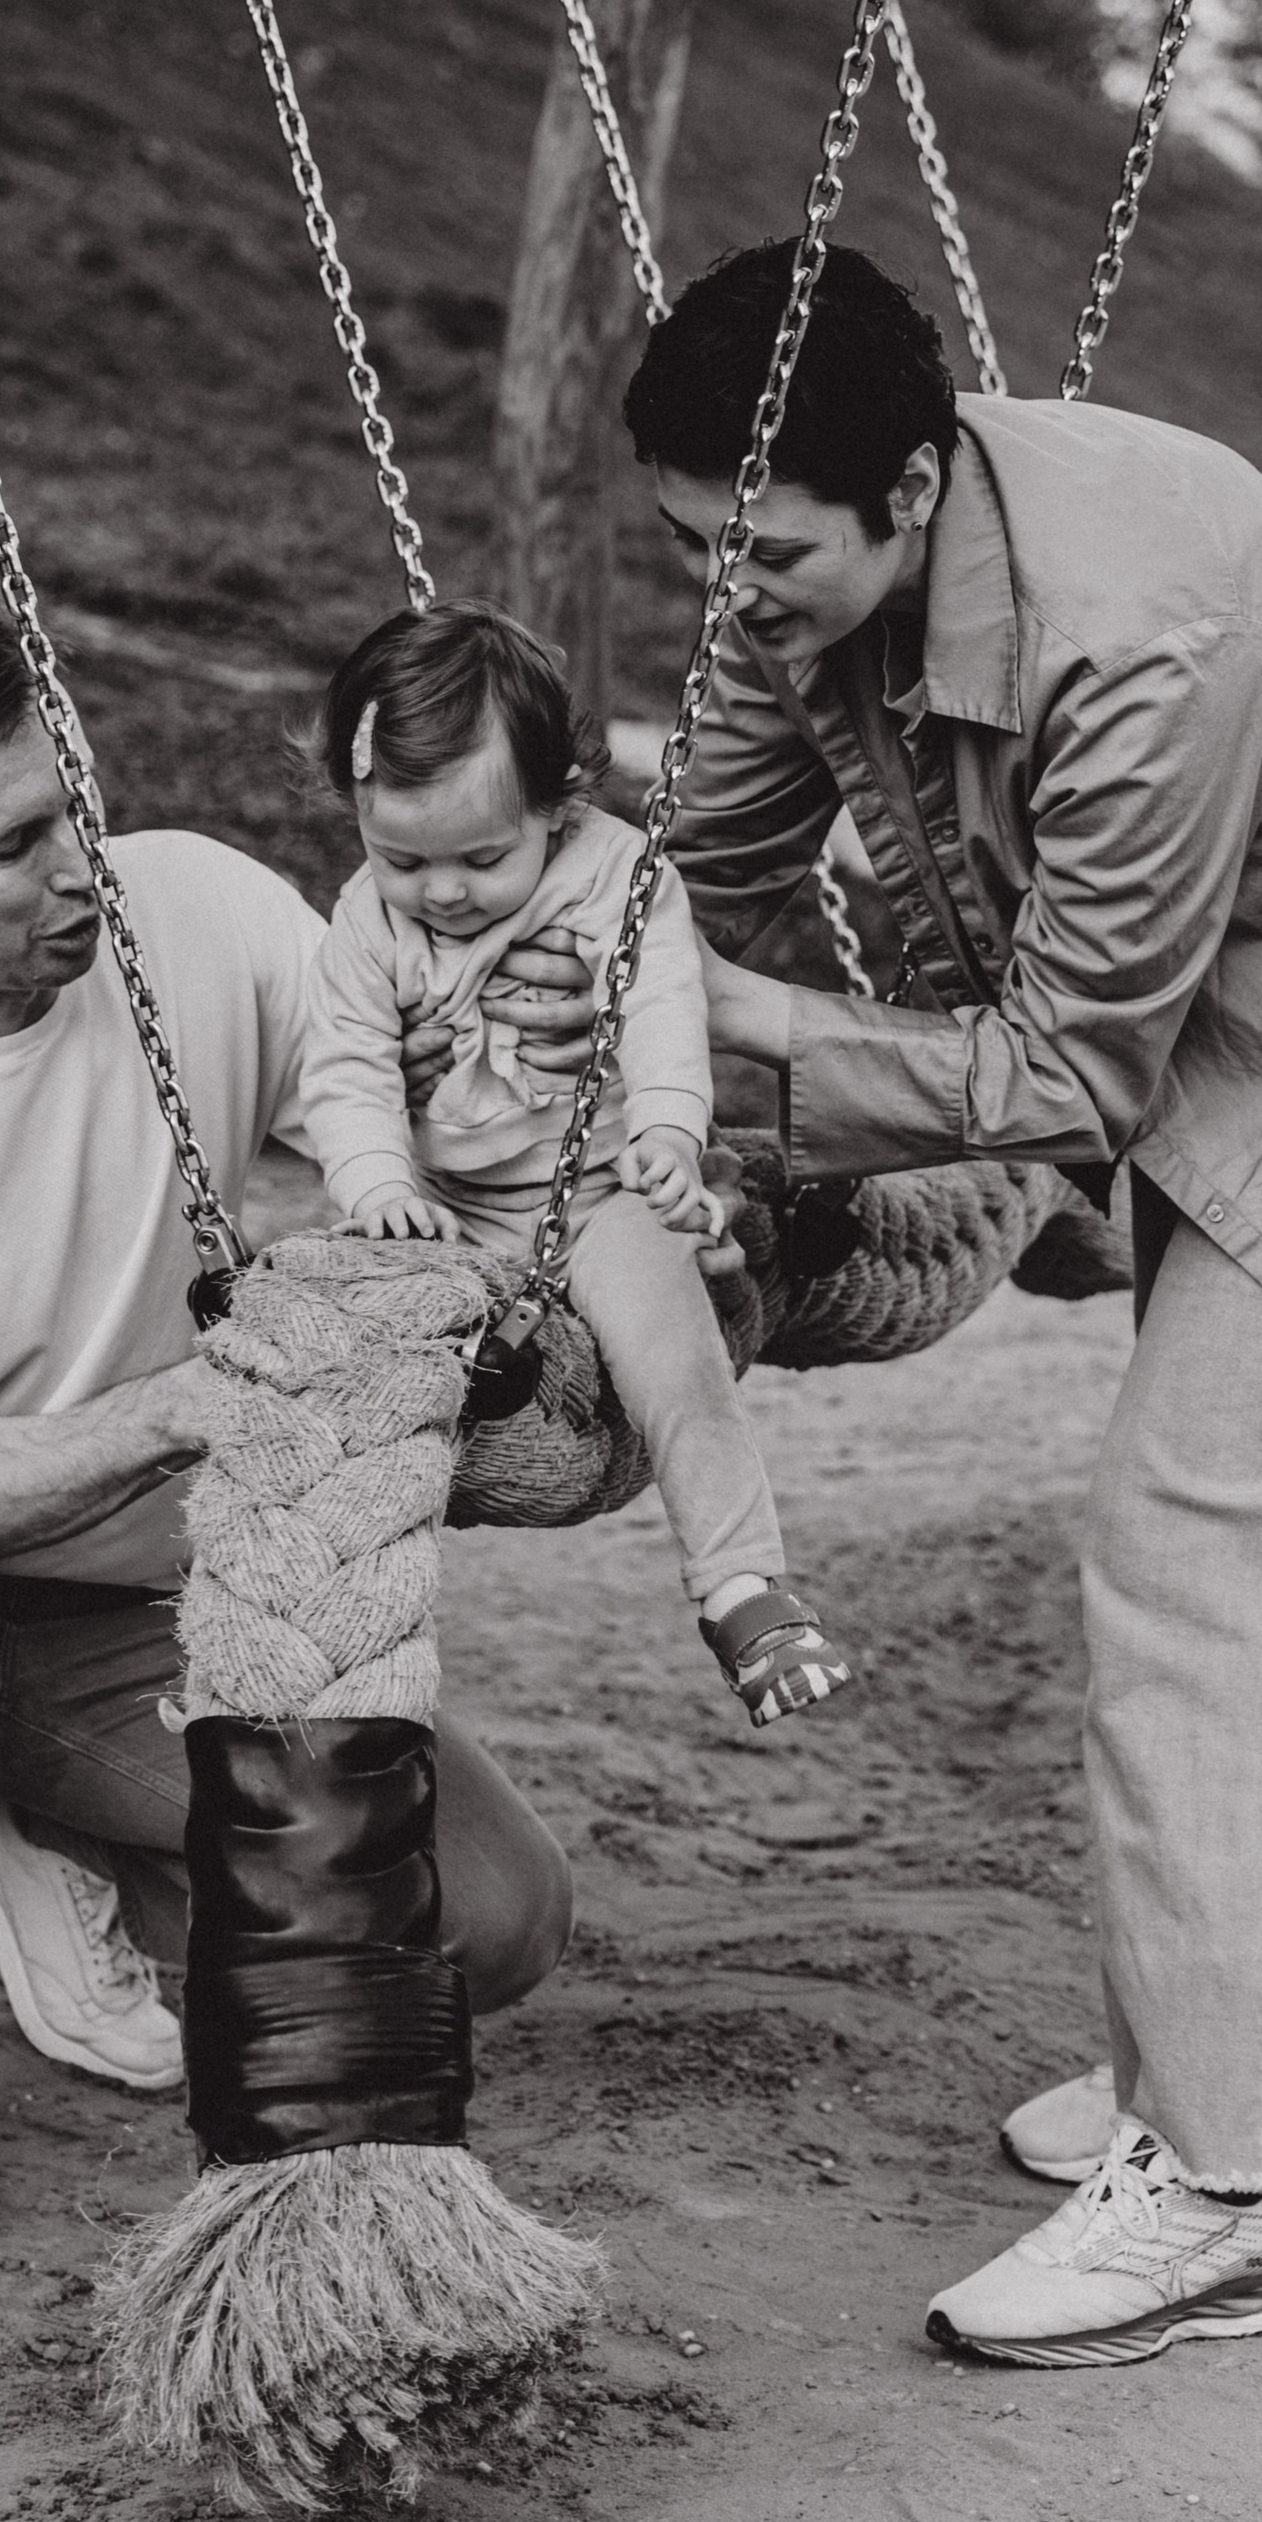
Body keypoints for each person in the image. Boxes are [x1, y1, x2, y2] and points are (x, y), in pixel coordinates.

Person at [629, 239, 1262, 2370]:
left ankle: (1207, 2200)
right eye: (685, 558)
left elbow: (1068, 1070)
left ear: (910, 492)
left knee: (1200, 1525)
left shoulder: (1134, 632)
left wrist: (766, 1042)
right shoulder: (787, 547)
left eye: (767, 564)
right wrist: (684, 1098)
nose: (728, 604)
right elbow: (714, 860)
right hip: (1231, 1000)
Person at [0, 583, 576, 2307]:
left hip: (135, 1628)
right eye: (12, 847)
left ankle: (47, 1823)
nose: (79, 867)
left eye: (74, 800)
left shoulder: (196, 909)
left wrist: (540, 1102)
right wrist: (194, 1402)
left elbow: (409, 1128)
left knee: (493, 1917)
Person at [299, 599, 857, 1727]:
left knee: (678, 1372)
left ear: (559, 806)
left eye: (481, 857)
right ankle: (314, 1652)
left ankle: (745, 1588)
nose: (440, 891)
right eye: (400, 854)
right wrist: (379, 1187)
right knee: (335, 1377)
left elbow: (658, 1003)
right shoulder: (366, 921)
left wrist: (664, 1129)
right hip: (445, 1204)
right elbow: (346, 1069)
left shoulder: (616, 877)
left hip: (596, 1193)